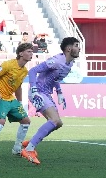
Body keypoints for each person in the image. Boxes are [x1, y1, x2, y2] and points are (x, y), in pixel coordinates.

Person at [22, 37, 81, 165]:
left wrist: (59, 92)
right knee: (54, 120)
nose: (79, 48)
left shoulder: (69, 63)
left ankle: (31, 142)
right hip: (38, 92)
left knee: (58, 123)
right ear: (69, 48)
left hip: (46, 93)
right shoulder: (57, 61)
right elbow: (33, 71)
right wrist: (33, 89)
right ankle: (29, 149)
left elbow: (55, 79)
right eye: (77, 45)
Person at [0, 42, 35, 161]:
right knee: (1, 121)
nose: (31, 54)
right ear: (21, 53)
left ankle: (17, 149)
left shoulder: (24, 71)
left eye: (32, 51)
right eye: (29, 51)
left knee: (26, 121)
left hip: (10, 99)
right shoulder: (8, 64)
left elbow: (18, 87)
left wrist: (20, 102)